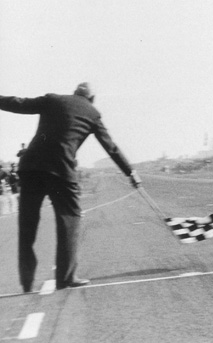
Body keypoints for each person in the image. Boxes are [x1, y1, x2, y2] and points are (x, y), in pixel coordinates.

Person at [0, 82, 142, 292]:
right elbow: (110, 147)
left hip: (31, 168)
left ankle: (27, 281)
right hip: (61, 170)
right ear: (91, 99)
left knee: (28, 224)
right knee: (70, 218)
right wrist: (130, 172)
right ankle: (65, 278)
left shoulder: (52, 99)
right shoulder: (92, 113)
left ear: (74, 93)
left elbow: (18, 104)